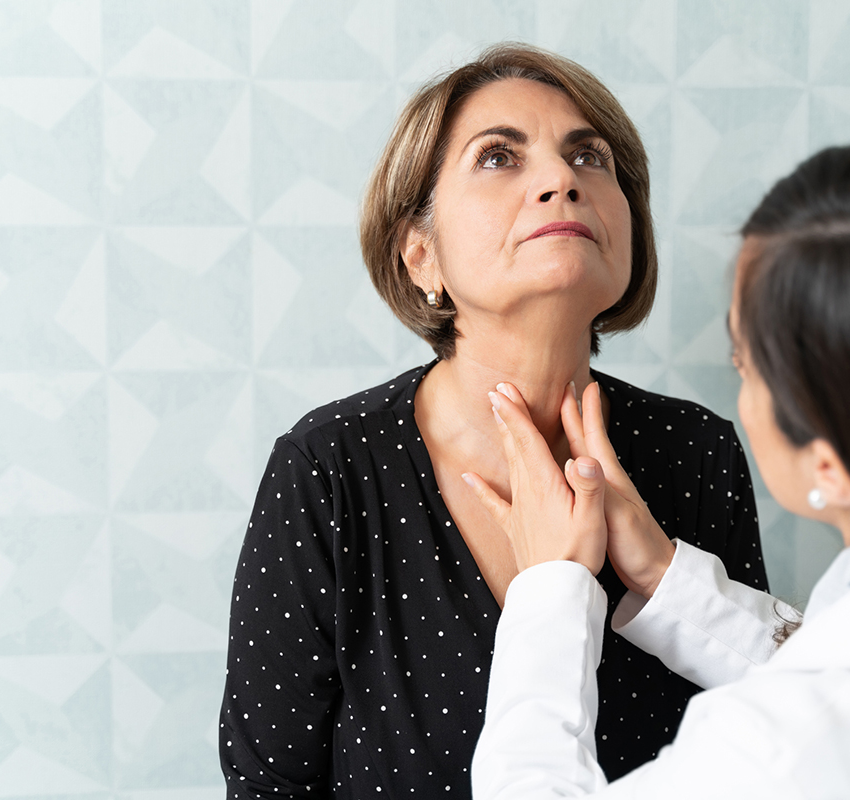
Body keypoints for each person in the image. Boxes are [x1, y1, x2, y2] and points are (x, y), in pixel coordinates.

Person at [219, 44, 780, 798]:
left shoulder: (696, 451)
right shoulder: (329, 470)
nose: (561, 181)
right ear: (422, 256)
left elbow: (778, 743)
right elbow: (268, 787)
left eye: (590, 158)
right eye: (497, 158)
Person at [470, 139, 850, 798]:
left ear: (832, 465)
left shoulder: (778, 751)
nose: (560, 183)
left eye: (743, 365)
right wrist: (666, 577)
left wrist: (551, 588)